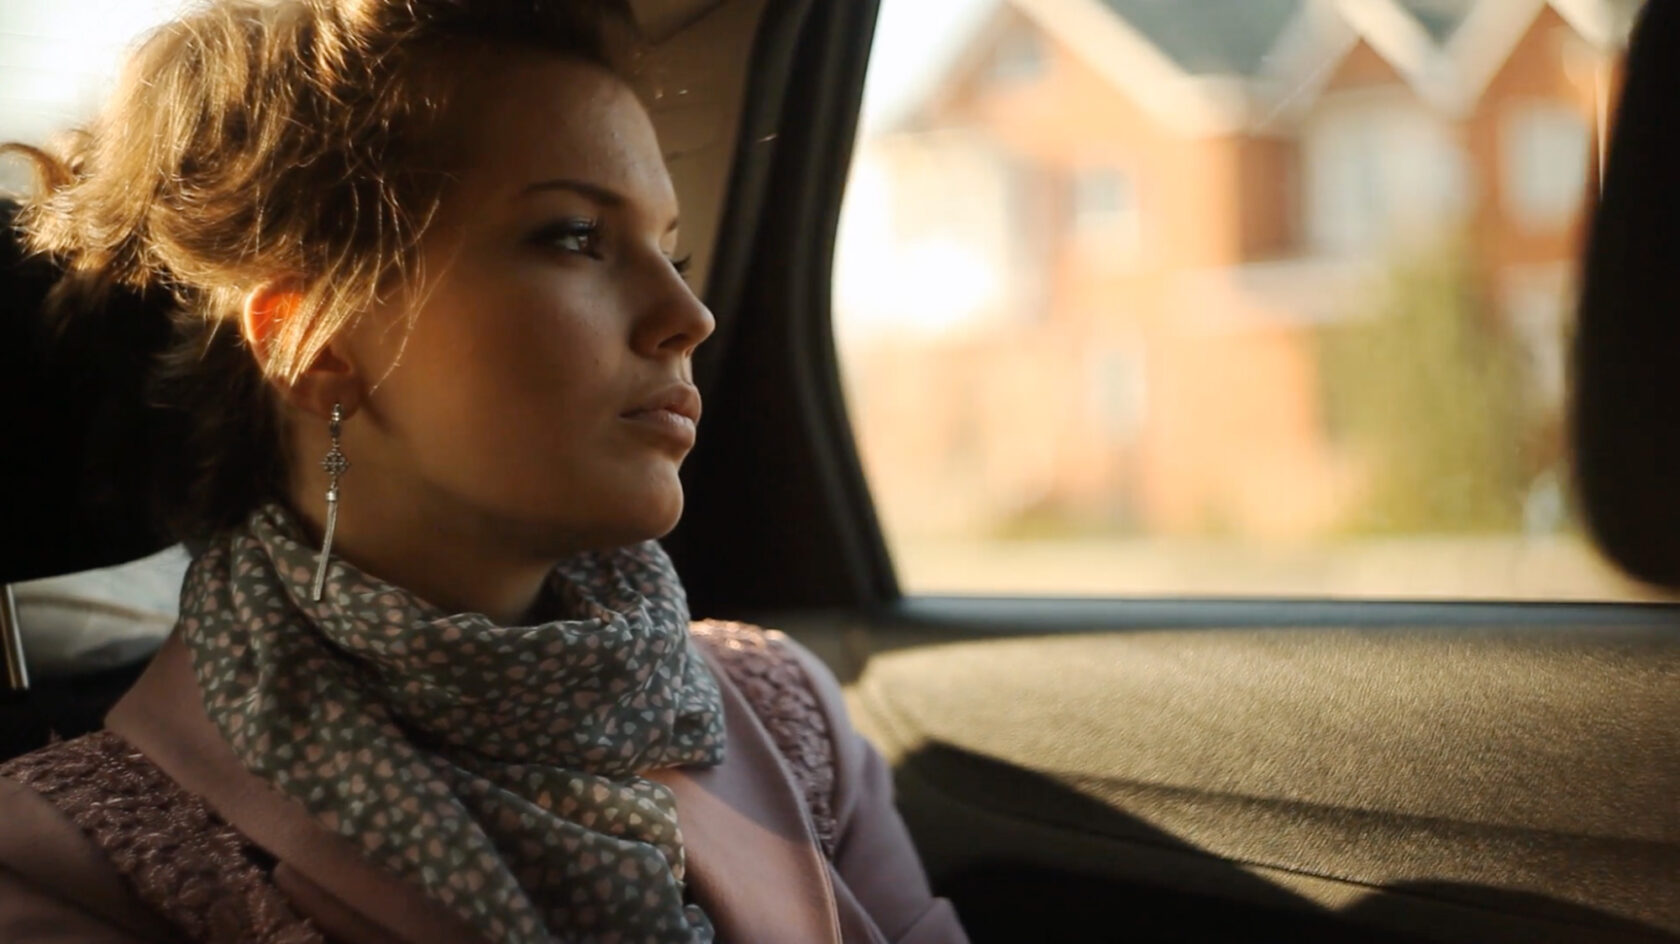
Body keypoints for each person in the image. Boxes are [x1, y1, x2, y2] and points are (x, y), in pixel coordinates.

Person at [0, 1, 969, 941]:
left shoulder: (785, 713)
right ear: (312, 337)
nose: (688, 314)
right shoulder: (77, 862)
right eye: (575, 237)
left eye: (671, 248)